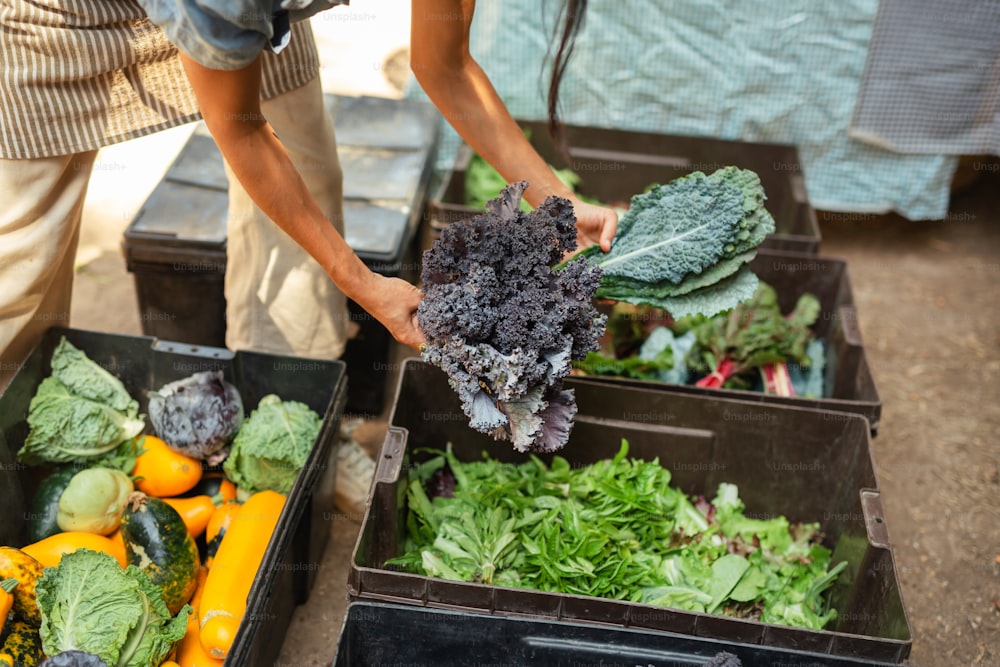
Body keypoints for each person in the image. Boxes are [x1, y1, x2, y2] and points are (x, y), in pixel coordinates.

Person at [0, 0, 617, 392]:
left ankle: (290, 413)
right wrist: (366, 285)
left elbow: (446, 66)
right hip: (63, 19)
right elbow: (240, 132)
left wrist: (559, 206)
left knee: (311, 170)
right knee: (23, 257)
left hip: (251, 22)